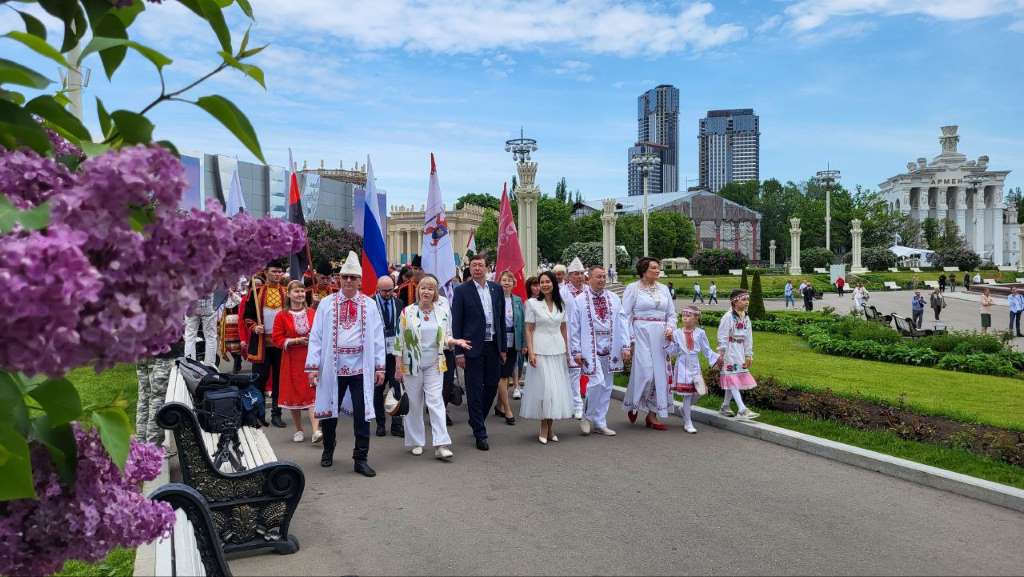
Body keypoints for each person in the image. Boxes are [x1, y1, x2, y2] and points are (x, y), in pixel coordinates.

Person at [305, 251, 386, 477]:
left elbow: (378, 337)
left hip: (361, 367)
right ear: (339, 279)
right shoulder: (327, 304)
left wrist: (380, 366)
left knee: (362, 414)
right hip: (333, 367)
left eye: (353, 277)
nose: (349, 281)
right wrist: (312, 367)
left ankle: (361, 458)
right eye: (345, 277)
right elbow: (317, 335)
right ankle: (328, 449)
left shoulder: (369, 305)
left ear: (360, 280)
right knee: (330, 413)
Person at [395, 275, 469, 461]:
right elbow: (398, 341)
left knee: (436, 401)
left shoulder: (442, 312)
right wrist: (397, 366)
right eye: (423, 288)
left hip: (435, 363)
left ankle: (441, 444)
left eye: (430, 288)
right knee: (414, 403)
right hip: (411, 364)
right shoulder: (407, 312)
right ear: (418, 290)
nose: (426, 291)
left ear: (435, 292)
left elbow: (446, 337)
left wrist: (456, 341)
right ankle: (416, 441)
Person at [451, 253, 507, 451]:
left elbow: (500, 320)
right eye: (474, 265)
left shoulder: (496, 289)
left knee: (492, 385)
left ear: (487, 268)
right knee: (474, 389)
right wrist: (458, 351)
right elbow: (456, 322)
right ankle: (480, 433)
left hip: (493, 346)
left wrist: (503, 348)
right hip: (471, 347)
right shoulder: (462, 291)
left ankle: (477, 419)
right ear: (470, 268)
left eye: (480, 265)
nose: (477, 268)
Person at [571, 265, 629, 437]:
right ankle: (587, 417)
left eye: (604, 276)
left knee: (607, 386)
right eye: (598, 276)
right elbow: (574, 327)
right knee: (597, 381)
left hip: (611, 345)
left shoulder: (613, 298)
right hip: (590, 346)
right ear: (589, 279)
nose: (602, 279)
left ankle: (600, 421)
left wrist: (625, 345)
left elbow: (622, 321)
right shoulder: (580, 300)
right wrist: (576, 350)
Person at [520, 270, 575, 444]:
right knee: (546, 389)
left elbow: (564, 329)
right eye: (541, 282)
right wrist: (531, 351)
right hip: (540, 349)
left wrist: (567, 351)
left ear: (553, 283)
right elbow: (528, 329)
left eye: (547, 282)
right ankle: (544, 427)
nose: (544, 285)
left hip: (557, 350)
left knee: (555, 390)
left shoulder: (562, 304)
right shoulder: (532, 304)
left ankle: (550, 428)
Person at [621, 257, 676, 430]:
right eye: (653, 267)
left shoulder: (664, 289)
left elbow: (672, 314)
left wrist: (670, 328)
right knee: (645, 373)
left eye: (658, 267)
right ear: (644, 270)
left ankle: (652, 415)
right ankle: (635, 404)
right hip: (641, 334)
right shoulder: (633, 288)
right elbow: (625, 315)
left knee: (659, 375)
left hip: (660, 336)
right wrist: (629, 339)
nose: (657, 270)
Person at [272, 280, 320, 443]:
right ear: (289, 294)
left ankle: (315, 431)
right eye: (296, 291)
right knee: (294, 394)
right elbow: (277, 339)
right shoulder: (281, 315)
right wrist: (295, 341)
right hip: (292, 359)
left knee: (312, 391)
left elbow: (321, 332)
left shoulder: (313, 312)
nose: (300, 294)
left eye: (301, 291)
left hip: (310, 358)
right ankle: (299, 429)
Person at [245, 260, 289, 428]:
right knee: (259, 380)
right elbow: (247, 316)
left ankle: (276, 414)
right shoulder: (255, 293)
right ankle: (258, 414)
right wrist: (255, 327)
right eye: (274, 271)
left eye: (280, 272)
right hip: (261, 344)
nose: (277, 275)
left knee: (279, 379)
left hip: (280, 344)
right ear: (265, 272)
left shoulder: (286, 293)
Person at [665, 306, 719, 433]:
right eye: (683, 315)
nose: (685, 318)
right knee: (688, 395)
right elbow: (675, 350)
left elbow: (706, 349)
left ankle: (685, 409)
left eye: (689, 316)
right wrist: (669, 342)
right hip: (682, 364)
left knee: (701, 391)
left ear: (696, 318)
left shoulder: (700, 333)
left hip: (694, 364)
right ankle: (688, 422)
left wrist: (716, 359)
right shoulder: (677, 333)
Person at [718, 289, 760, 420]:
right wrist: (721, 353)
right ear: (734, 301)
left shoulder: (746, 317)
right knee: (732, 377)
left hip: (740, 350)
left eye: (748, 299)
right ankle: (742, 409)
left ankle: (725, 406)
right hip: (729, 350)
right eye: (743, 299)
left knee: (734, 377)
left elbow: (749, 337)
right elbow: (722, 335)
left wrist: (749, 354)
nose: (747, 302)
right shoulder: (728, 317)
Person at [135, 338, 183, 445]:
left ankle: (141, 445)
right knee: (158, 401)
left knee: (144, 398)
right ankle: (152, 448)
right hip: (163, 353)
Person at [374, 275, 405, 438]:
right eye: (383, 291)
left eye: (390, 290)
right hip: (377, 354)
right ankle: (380, 424)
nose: (387, 294)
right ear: (377, 289)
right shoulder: (371, 303)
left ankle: (396, 423)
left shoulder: (399, 303)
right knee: (377, 389)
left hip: (395, 353)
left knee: (396, 387)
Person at [494, 271, 524, 425]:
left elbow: (523, 323)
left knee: (506, 373)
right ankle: (507, 409)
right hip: (500, 340)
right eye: (503, 280)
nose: (506, 283)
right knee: (503, 375)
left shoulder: (518, 301)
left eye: (509, 281)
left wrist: (523, 344)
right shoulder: (495, 300)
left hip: (514, 340)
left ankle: (499, 405)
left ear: (514, 284)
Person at [560, 257, 587, 420]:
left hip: (587, 336)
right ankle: (577, 404)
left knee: (589, 372)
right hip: (569, 335)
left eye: (581, 273)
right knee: (574, 372)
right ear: (569, 276)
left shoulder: (588, 291)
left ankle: (581, 403)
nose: (579, 276)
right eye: (575, 274)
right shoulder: (562, 292)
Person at [514, 276, 542, 400]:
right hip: (531, 337)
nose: (537, 288)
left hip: (543, 336)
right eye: (534, 285)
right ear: (529, 287)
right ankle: (523, 386)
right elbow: (525, 324)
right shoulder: (527, 303)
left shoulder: (546, 301)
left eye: (538, 285)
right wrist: (525, 342)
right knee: (530, 363)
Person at [218, 278, 247, 373]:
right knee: (228, 344)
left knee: (238, 344)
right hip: (226, 322)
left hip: (238, 321)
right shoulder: (224, 294)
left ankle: (237, 361)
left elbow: (242, 303)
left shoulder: (241, 293)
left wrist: (232, 294)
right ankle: (237, 359)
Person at [185, 291, 219, 366]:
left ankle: (190, 365)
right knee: (210, 337)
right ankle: (209, 366)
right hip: (208, 304)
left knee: (190, 337)